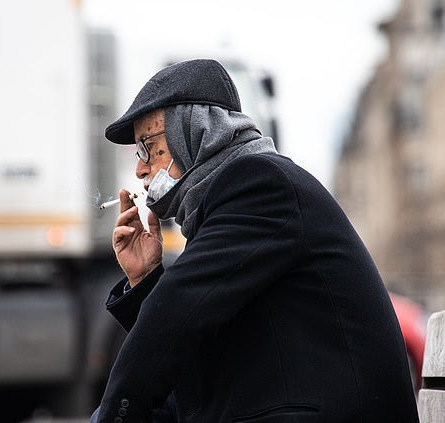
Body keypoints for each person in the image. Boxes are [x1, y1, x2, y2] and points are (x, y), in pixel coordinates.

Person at [91, 59, 419, 423]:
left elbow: (177, 312)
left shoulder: (260, 184)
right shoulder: (222, 207)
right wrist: (144, 278)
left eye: (148, 146)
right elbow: (190, 352)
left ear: (196, 132)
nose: (140, 168)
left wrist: (113, 416)